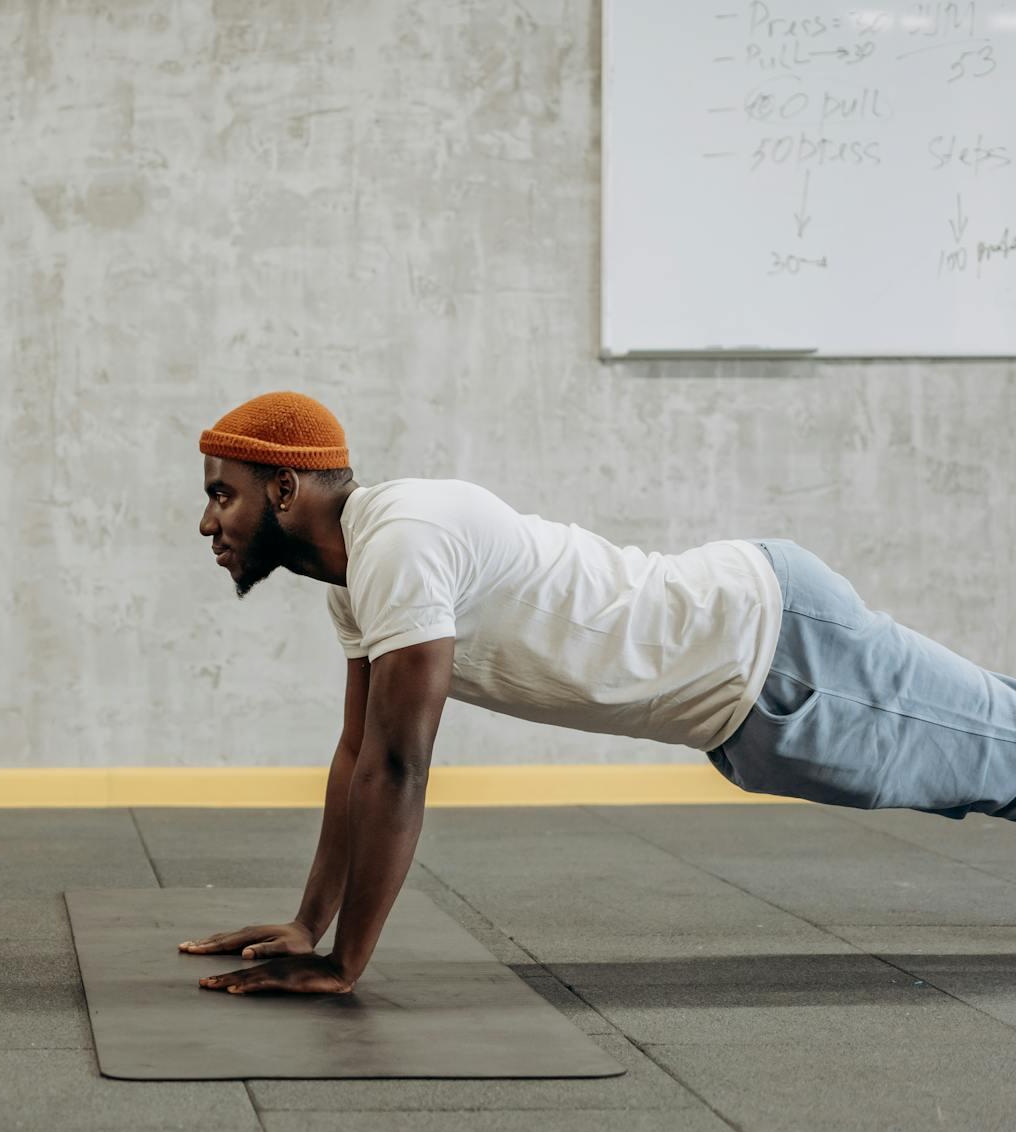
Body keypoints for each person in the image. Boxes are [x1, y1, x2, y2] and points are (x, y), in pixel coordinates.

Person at [179, 391, 1016, 996]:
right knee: (992, 763)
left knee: (1004, 754)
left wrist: (343, 962)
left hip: (783, 653)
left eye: (224, 493)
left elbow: (399, 769)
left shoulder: (402, 542)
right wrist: (308, 922)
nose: (210, 522)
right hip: (747, 710)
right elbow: (357, 756)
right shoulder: (358, 582)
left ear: (285, 489)